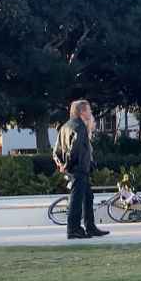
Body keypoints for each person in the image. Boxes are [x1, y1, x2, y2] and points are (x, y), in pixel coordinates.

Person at [54, 100, 109, 239]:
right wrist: (68, 164)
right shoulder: (80, 127)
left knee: (88, 196)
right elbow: (75, 149)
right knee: (77, 199)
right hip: (78, 168)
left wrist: (61, 163)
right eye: (89, 109)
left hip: (74, 167)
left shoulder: (65, 126)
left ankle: (90, 227)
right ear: (82, 111)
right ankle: (73, 229)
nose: (91, 111)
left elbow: (56, 150)